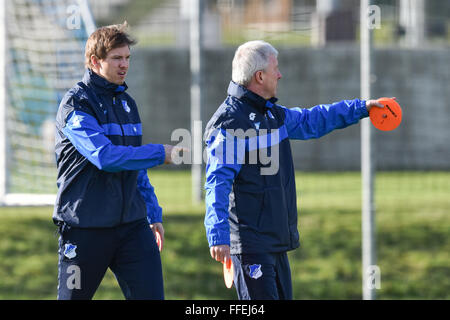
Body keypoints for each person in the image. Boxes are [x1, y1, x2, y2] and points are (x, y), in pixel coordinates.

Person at [203, 40, 386, 300]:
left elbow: (315, 119)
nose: (280, 74)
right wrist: (217, 233)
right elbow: (217, 182)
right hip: (250, 246)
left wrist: (362, 108)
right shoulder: (230, 123)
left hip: (275, 243)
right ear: (260, 76)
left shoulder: (273, 115)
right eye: (275, 69)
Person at [53, 22, 176, 300]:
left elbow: (134, 166)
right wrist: (159, 153)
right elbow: (105, 157)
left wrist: (152, 212)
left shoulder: (128, 104)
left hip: (131, 226)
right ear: (95, 62)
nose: (124, 65)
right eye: (117, 58)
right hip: (85, 228)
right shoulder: (77, 105)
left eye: (127, 58)